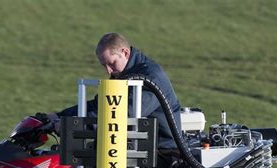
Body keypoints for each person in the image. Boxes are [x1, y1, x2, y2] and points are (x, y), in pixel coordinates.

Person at [47, 32, 181, 151]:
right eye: (104, 65)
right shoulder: (123, 73)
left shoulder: (151, 77)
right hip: (134, 145)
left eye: (111, 63)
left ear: (125, 53)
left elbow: (121, 115)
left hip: (161, 152)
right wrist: (60, 116)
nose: (108, 71)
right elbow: (100, 105)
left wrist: (72, 125)